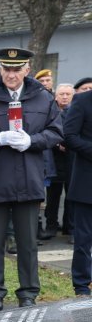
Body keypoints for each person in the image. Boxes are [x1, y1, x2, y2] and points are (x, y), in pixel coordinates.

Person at [0, 48, 63, 313]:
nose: (11, 74)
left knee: (27, 242)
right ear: (0, 69)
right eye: (7, 69)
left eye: (17, 69)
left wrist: (32, 141)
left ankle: (28, 291)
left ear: (27, 69)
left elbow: (56, 132)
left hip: (29, 177)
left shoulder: (42, 98)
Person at [64, 88, 92, 296]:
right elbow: (70, 136)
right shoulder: (82, 100)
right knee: (83, 238)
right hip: (86, 182)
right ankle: (82, 284)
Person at [40, 83, 75, 240]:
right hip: (53, 160)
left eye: (68, 94)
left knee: (71, 196)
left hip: (71, 160)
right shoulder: (50, 111)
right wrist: (55, 143)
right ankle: (51, 226)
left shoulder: (75, 112)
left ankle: (69, 227)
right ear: (56, 96)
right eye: (62, 94)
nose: (65, 97)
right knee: (53, 196)